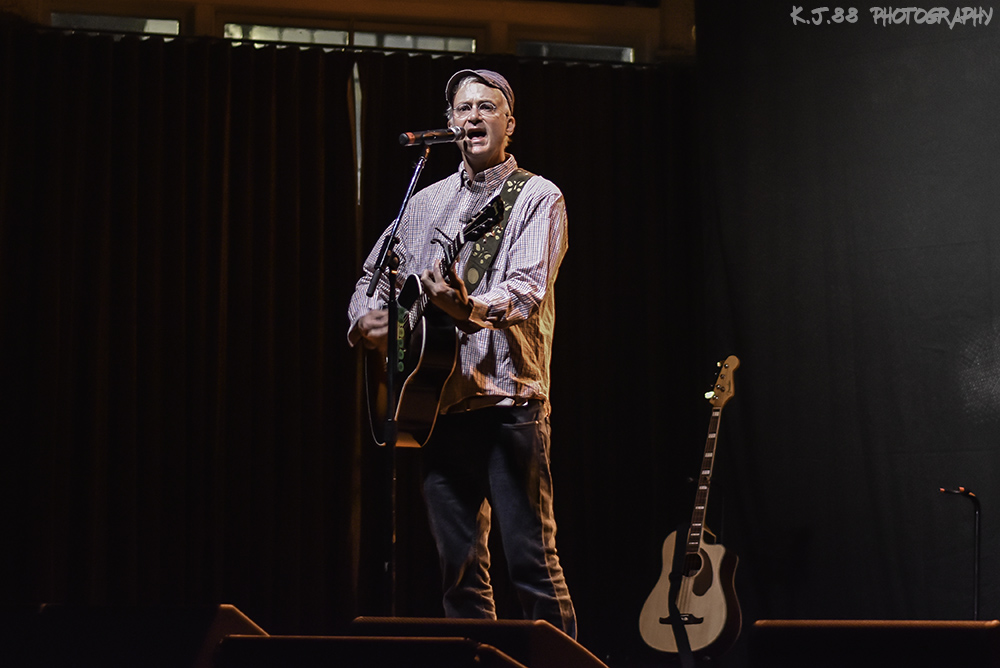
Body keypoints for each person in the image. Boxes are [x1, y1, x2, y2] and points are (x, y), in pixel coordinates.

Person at [346, 69, 576, 638]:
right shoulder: (424, 203)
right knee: (460, 570)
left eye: (487, 108)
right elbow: (371, 279)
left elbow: (525, 289)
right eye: (463, 108)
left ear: (508, 123)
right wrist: (365, 324)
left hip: (509, 403)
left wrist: (465, 307)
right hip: (438, 405)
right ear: (448, 123)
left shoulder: (537, 196)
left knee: (531, 564)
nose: (473, 116)